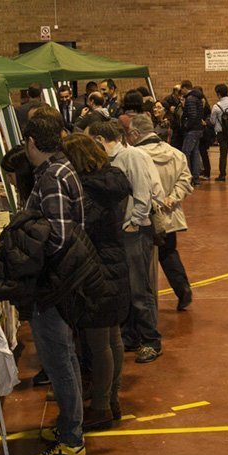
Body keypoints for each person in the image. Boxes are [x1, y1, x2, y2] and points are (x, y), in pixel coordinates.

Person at [20, 112, 91, 455]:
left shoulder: (52, 177)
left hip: (53, 283)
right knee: (65, 358)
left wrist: (24, 250)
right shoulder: (62, 170)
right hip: (62, 280)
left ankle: (72, 438)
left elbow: (58, 237)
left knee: (59, 359)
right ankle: (69, 422)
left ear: (32, 142)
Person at [60, 133, 131, 429]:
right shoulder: (112, 181)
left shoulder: (86, 192)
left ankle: (101, 406)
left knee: (100, 343)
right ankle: (111, 399)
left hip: (96, 269)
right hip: (115, 265)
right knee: (111, 339)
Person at [88, 119, 166, 364]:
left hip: (135, 231)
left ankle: (151, 339)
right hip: (123, 230)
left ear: (100, 140)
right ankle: (132, 334)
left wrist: (136, 219)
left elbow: (144, 190)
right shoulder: (113, 160)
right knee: (128, 286)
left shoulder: (132, 156)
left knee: (140, 287)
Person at [129, 114, 195, 311]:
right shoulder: (176, 153)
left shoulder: (134, 155)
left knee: (141, 261)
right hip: (169, 214)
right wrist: (172, 197)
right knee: (168, 253)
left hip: (143, 216)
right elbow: (185, 180)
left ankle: (144, 303)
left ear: (135, 133)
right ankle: (183, 289)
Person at [180, 81, 206, 184]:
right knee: (195, 153)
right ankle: (195, 177)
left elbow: (192, 115)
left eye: (181, 90)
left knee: (186, 151)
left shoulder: (190, 99)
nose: (181, 92)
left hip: (192, 130)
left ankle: (188, 176)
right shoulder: (197, 97)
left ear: (185, 88)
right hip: (198, 129)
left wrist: (186, 126)